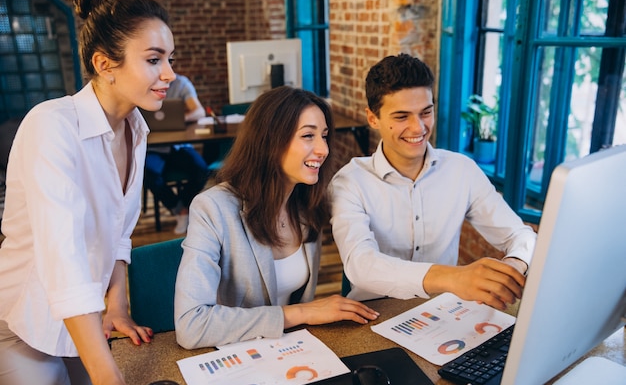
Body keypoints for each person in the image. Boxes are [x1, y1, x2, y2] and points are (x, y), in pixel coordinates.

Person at [0, 0, 174, 385]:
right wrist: (108, 378)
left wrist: (116, 306)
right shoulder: (51, 126)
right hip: (24, 321)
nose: (168, 73)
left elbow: (116, 233)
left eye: (170, 59)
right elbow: (64, 256)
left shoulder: (136, 129)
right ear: (104, 64)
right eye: (153, 60)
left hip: (84, 322)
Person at [174, 86, 379, 349]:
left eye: (324, 136)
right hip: (237, 354)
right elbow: (191, 325)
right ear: (270, 141)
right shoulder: (212, 208)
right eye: (308, 136)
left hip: (291, 349)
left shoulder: (306, 205)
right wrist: (301, 314)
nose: (323, 149)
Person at [329, 54, 537, 311]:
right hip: (374, 314)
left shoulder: (462, 170)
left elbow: (521, 235)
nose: (418, 128)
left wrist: (515, 264)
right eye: (402, 117)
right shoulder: (350, 182)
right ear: (373, 118)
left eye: (425, 112)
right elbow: (361, 265)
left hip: (446, 312)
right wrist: (452, 277)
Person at [144, 73, 209, 234]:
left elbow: (199, 112)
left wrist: (180, 119)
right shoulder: (143, 85)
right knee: (148, 172)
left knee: (202, 170)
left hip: (179, 146)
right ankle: (176, 208)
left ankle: (185, 206)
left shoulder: (181, 84)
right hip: (153, 148)